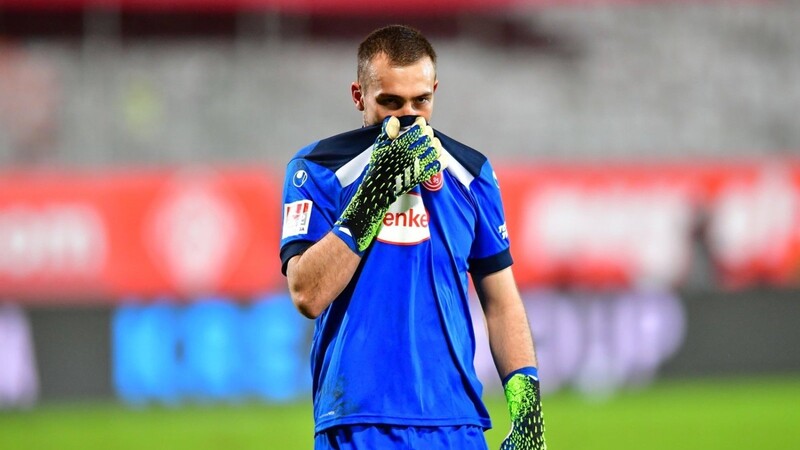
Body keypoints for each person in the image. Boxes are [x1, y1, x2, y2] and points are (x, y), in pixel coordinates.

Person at [280, 24, 546, 449]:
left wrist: (526, 408)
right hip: (358, 420)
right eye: (390, 103)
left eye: (420, 101)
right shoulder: (318, 169)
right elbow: (307, 293)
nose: (408, 117)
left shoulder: (471, 173)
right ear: (358, 97)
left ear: (435, 91)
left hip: (456, 422)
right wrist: (374, 193)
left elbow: (501, 301)